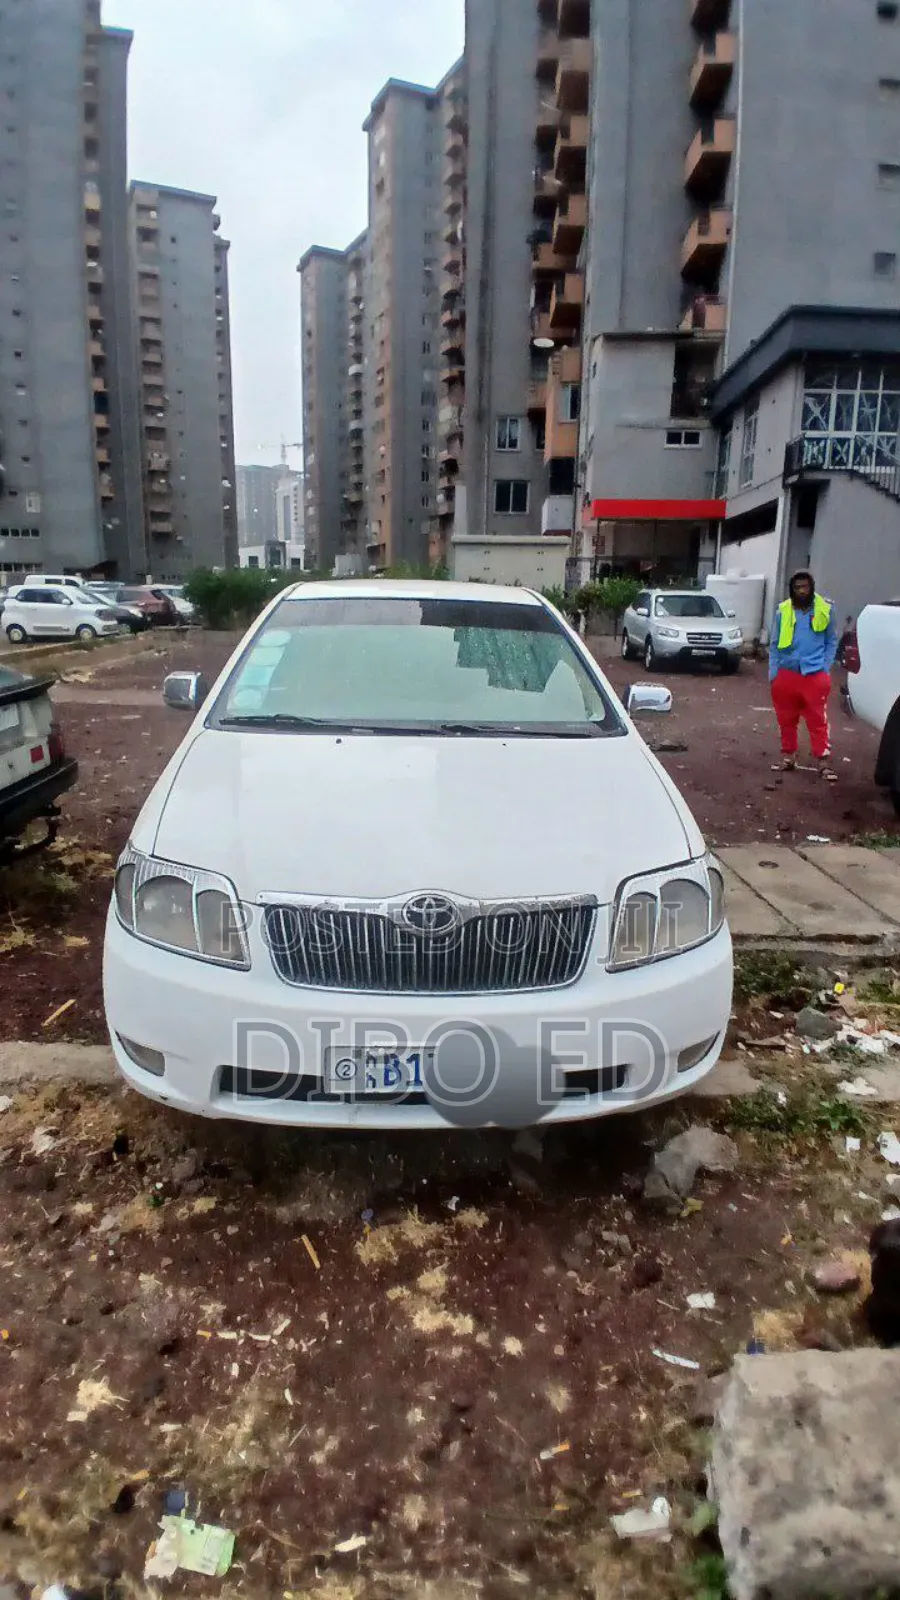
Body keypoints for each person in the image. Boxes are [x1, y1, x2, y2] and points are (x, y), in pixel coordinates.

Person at [768, 569, 838, 780]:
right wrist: (773, 674)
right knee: (786, 719)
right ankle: (788, 758)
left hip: (814, 674)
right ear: (792, 589)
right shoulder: (782, 611)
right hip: (786, 674)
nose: (801, 591)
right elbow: (773, 643)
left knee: (818, 720)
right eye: (797, 587)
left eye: (805, 587)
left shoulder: (825, 609)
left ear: (811, 587)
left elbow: (831, 641)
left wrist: (825, 668)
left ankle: (823, 762)